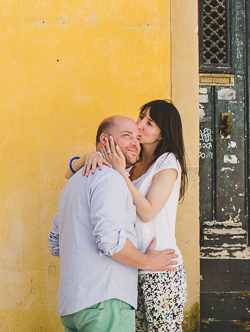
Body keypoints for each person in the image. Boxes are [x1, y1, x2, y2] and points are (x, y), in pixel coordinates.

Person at [49, 115, 178, 332]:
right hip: (105, 301)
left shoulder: (72, 182)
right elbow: (111, 242)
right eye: (127, 136)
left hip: (72, 306)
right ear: (105, 140)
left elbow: (55, 243)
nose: (135, 143)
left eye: (137, 138)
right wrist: (148, 261)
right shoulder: (109, 178)